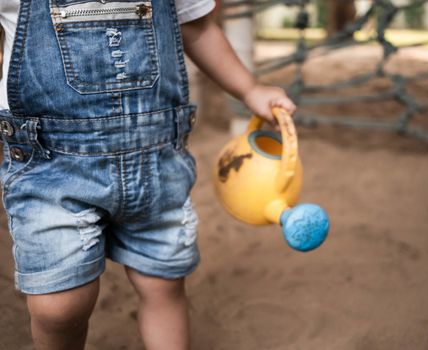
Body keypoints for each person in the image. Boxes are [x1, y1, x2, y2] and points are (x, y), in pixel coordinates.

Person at [0, 1, 296, 349]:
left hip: (156, 164)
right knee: (59, 305)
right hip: (51, 165)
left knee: (164, 283)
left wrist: (249, 89)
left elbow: (197, 28)